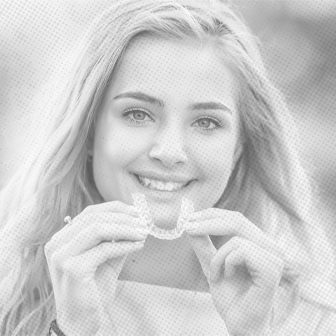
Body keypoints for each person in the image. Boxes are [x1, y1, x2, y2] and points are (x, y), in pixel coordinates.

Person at [1, 0, 336, 334]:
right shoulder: (9, 294)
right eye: (137, 114)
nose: (170, 152)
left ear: (238, 148)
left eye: (206, 122)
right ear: (88, 131)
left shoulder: (315, 318)